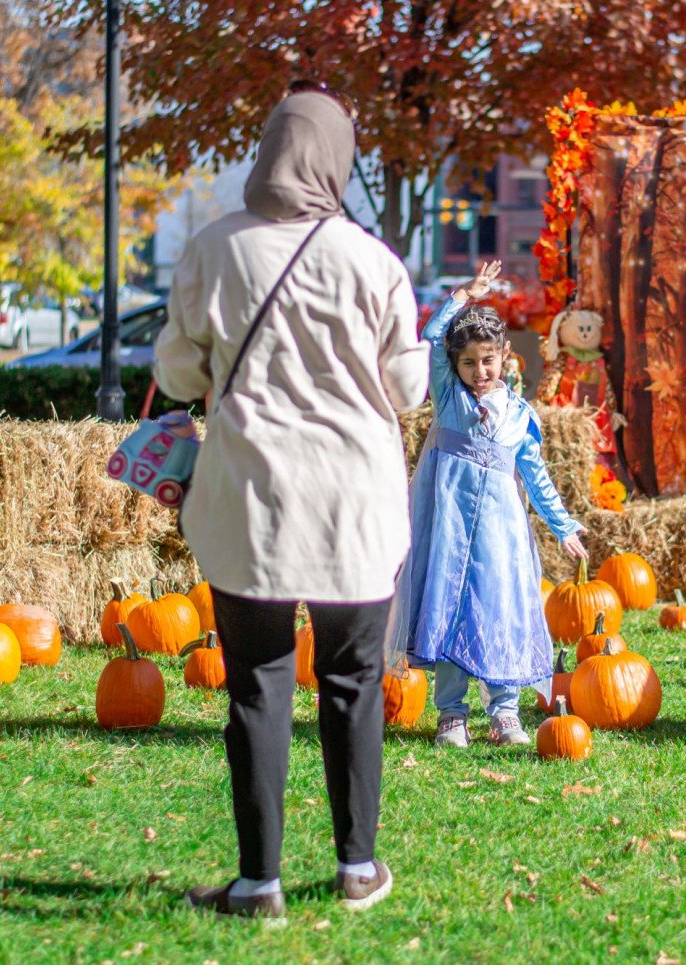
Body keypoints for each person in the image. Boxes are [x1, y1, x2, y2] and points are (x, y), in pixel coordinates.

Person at [153, 86, 428, 919]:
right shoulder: (374, 260)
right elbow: (408, 389)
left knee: (257, 686)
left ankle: (259, 881)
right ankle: (357, 868)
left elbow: (177, 375)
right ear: (337, 159)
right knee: (352, 681)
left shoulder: (214, 247)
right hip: (355, 501)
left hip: (251, 501)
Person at [385, 261, 588, 748]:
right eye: (469, 363)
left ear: (504, 357)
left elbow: (536, 478)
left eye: (488, 361)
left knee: (497, 609)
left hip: (500, 534)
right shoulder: (450, 400)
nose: (480, 372)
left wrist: (563, 527)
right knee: (450, 608)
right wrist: (464, 295)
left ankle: (505, 713)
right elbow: (433, 337)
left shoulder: (520, 416)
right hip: (450, 530)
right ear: (456, 367)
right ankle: (451, 714)